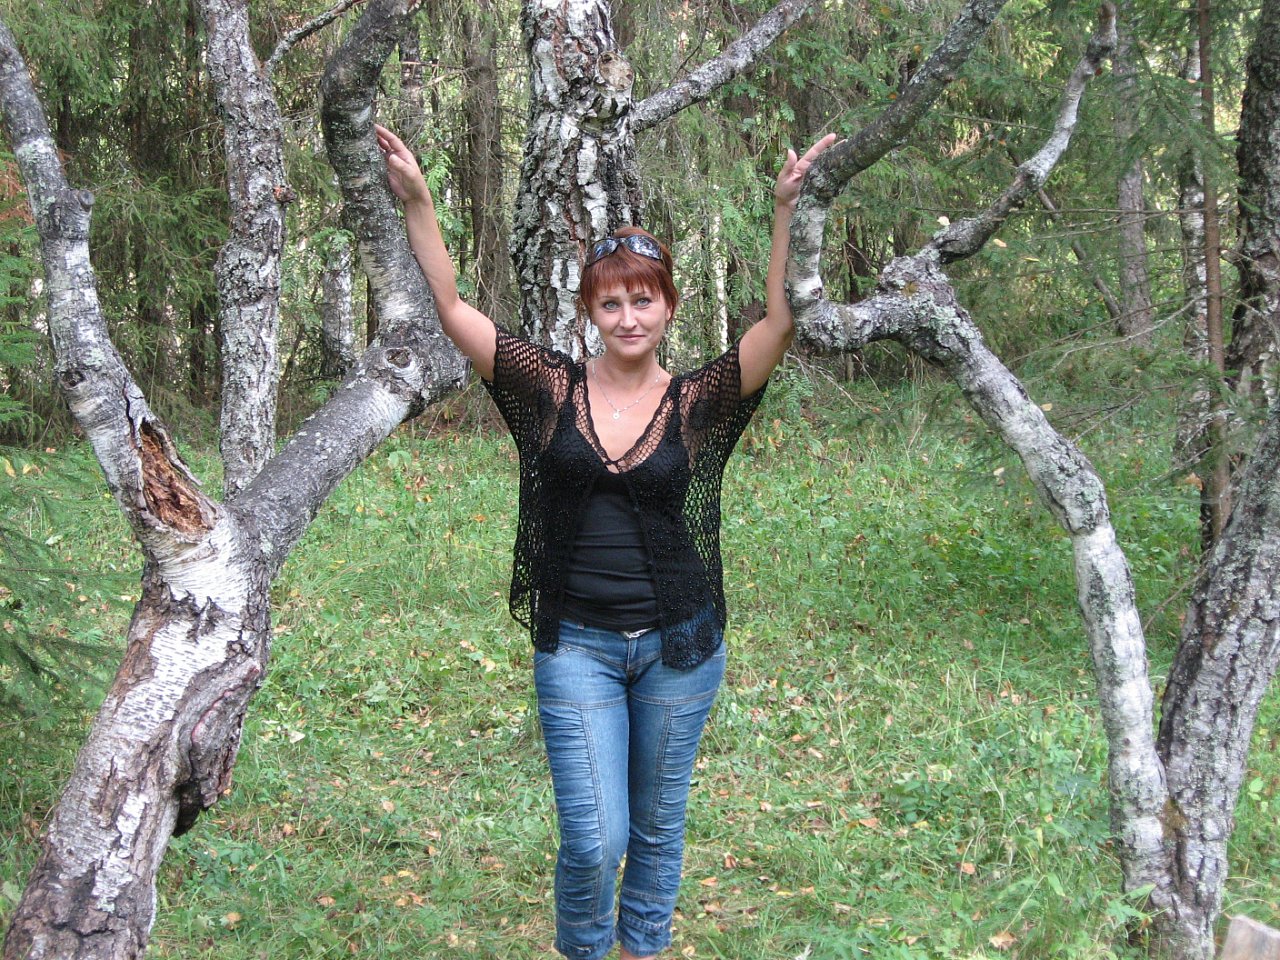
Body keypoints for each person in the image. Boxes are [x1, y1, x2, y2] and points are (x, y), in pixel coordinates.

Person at [377, 123, 835, 960]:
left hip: (680, 645)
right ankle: (586, 947)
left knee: (657, 829)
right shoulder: (550, 389)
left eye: (644, 300)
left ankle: (641, 949)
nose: (629, 317)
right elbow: (452, 310)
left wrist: (784, 209)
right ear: (589, 311)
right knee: (595, 839)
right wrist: (420, 203)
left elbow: (778, 322)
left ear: (669, 306)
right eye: (611, 303)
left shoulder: (697, 401)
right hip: (577, 644)